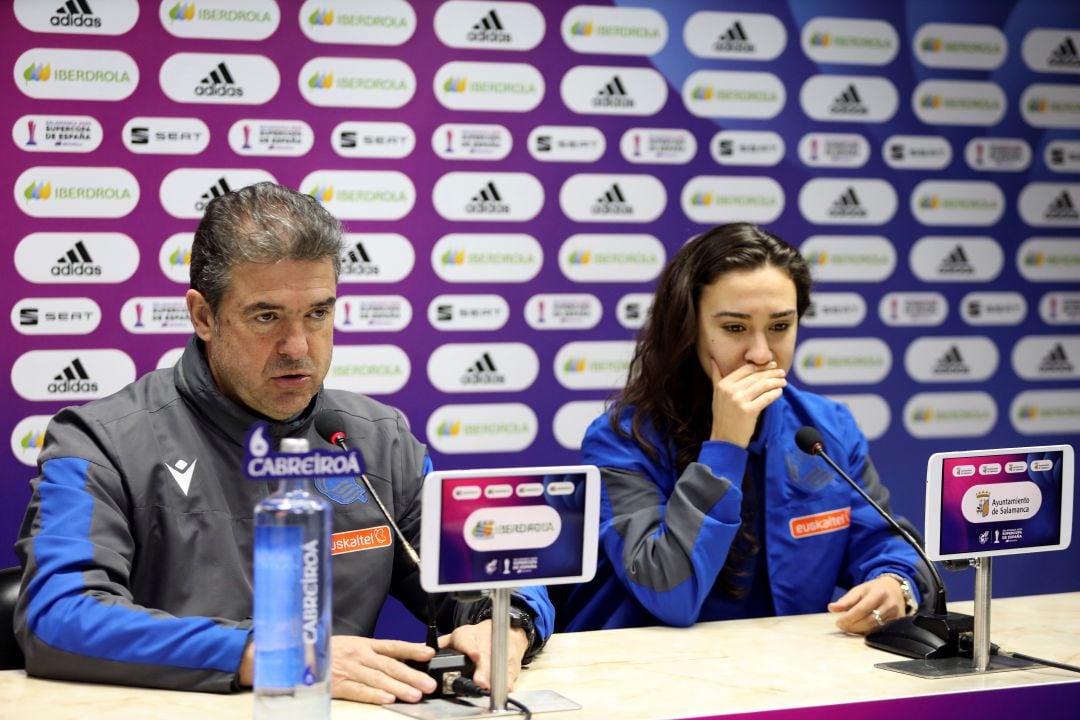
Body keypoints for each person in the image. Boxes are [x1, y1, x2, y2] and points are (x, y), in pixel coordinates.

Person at [14, 182, 551, 703]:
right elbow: (59, 617)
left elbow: (499, 573)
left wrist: (507, 626)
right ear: (204, 316)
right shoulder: (99, 442)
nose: (298, 347)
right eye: (266, 316)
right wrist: (274, 656)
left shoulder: (377, 438)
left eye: (317, 313)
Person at [557, 223, 924, 633]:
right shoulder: (622, 439)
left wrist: (896, 583)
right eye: (735, 328)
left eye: (780, 326)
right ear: (688, 328)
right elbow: (670, 593)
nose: (761, 353)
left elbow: (887, 545)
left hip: (791, 675)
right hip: (654, 678)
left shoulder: (825, 427)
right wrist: (726, 446)